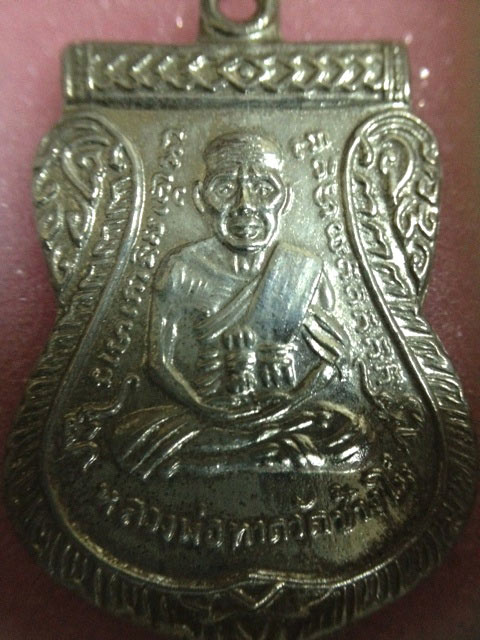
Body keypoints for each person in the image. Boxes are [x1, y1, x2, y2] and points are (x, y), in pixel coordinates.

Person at [112, 130, 371, 479]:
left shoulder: (304, 270)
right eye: (224, 190)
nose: (244, 204)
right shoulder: (182, 268)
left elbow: (332, 360)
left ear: (285, 198)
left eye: (264, 189)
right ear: (201, 199)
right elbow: (158, 362)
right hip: (205, 413)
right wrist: (205, 407)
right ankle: (266, 458)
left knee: (350, 433)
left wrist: (294, 399)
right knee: (127, 437)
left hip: (284, 412)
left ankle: (217, 464)